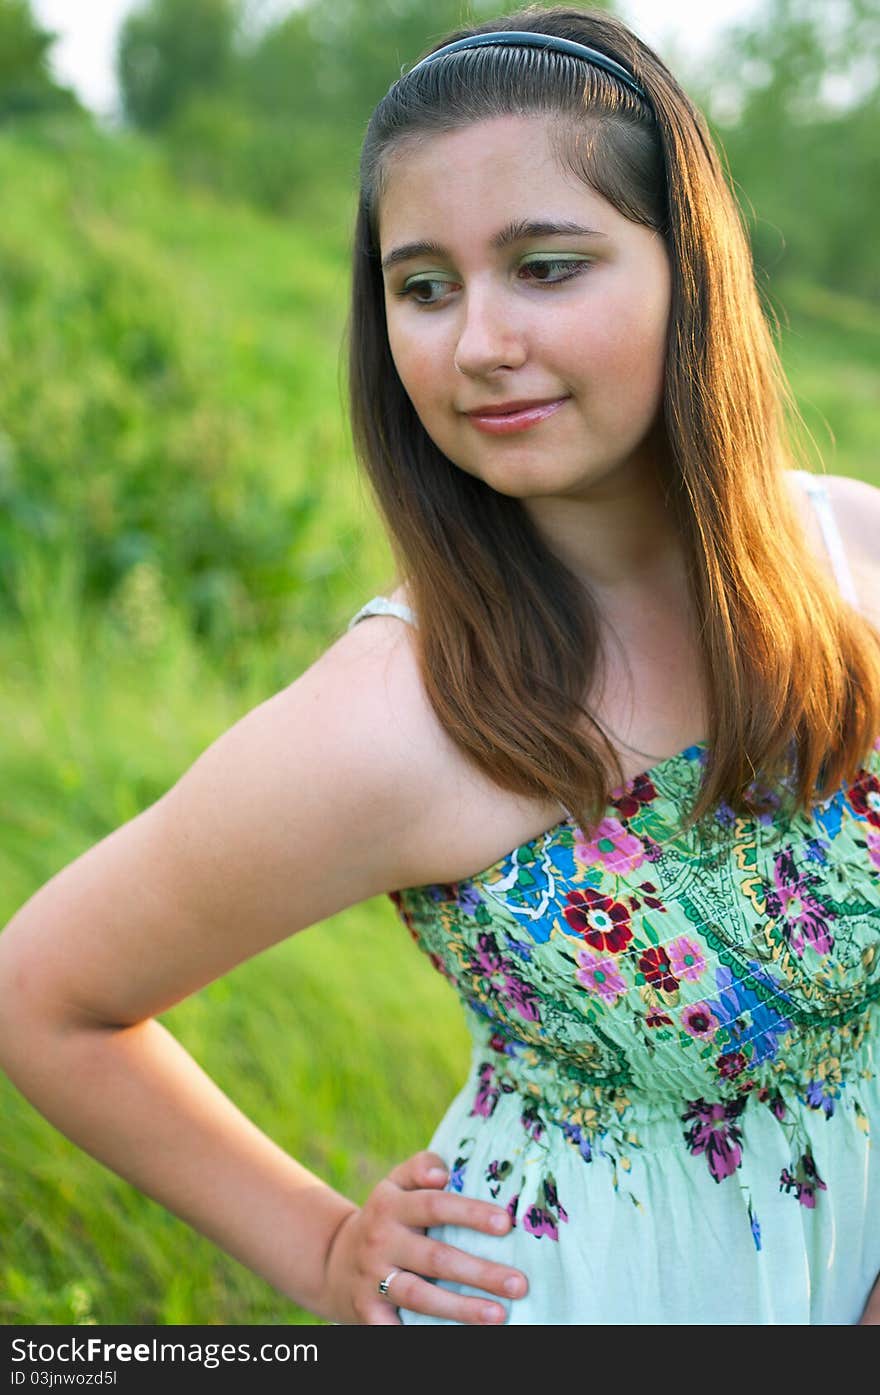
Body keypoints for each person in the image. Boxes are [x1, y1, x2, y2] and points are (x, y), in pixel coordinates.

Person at [1, 6, 879, 1328]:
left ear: (692, 271)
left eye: (545, 266)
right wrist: (319, 1247)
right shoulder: (401, 718)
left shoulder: (857, 555)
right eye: (424, 287)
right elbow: (44, 997)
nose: (476, 343)